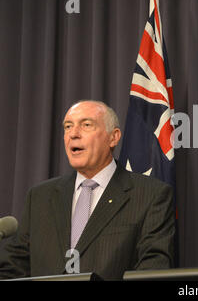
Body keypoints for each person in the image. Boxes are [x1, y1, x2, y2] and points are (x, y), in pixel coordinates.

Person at [0, 100, 175, 280]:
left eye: (86, 125)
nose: (73, 134)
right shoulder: (40, 197)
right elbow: (13, 269)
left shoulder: (150, 195)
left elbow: (152, 270)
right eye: (68, 126)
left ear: (113, 137)